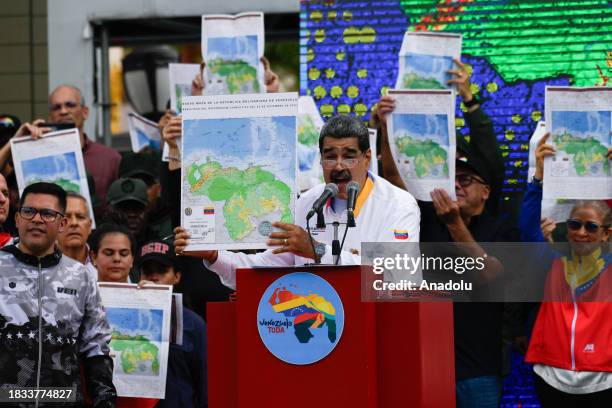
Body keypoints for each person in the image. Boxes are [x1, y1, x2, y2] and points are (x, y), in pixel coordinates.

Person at [375, 59, 518, 407]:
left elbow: (490, 275)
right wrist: (385, 127)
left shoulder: (501, 227)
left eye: (466, 180)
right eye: (451, 180)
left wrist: (455, 225)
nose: (456, 187)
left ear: (487, 190)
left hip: (478, 372)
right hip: (426, 359)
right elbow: (393, 180)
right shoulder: (428, 217)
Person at [174, 114, 421, 289]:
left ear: (367, 158)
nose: (338, 166)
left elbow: (396, 275)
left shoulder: (398, 205)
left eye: (349, 156)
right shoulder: (308, 203)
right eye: (329, 156)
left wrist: (317, 251)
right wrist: (215, 255)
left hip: (375, 329)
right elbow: (264, 270)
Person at [0, 182, 116, 406]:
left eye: (47, 213)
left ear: (62, 223)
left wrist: (105, 401)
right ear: (17, 219)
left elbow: (96, 347)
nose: (36, 219)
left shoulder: (81, 276)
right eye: (29, 211)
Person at [519, 134, 612, 406]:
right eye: (574, 225)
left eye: (591, 227)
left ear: (606, 234)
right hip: (552, 377)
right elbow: (527, 230)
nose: (581, 232)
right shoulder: (552, 263)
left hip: (603, 381)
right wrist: (538, 178)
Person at [137, 240, 207, 408]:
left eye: (162, 271)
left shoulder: (194, 324)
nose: (154, 277)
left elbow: (204, 382)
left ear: (177, 276)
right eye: (147, 272)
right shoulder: (125, 318)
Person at [48, 84, 121, 200]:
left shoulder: (110, 158)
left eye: (70, 105)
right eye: (57, 107)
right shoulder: (42, 158)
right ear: (50, 117)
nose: (63, 111)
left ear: (85, 112)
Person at [57, 191, 96, 278]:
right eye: (66, 217)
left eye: (80, 217)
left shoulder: (105, 264)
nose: (74, 223)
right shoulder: (39, 266)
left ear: (89, 226)